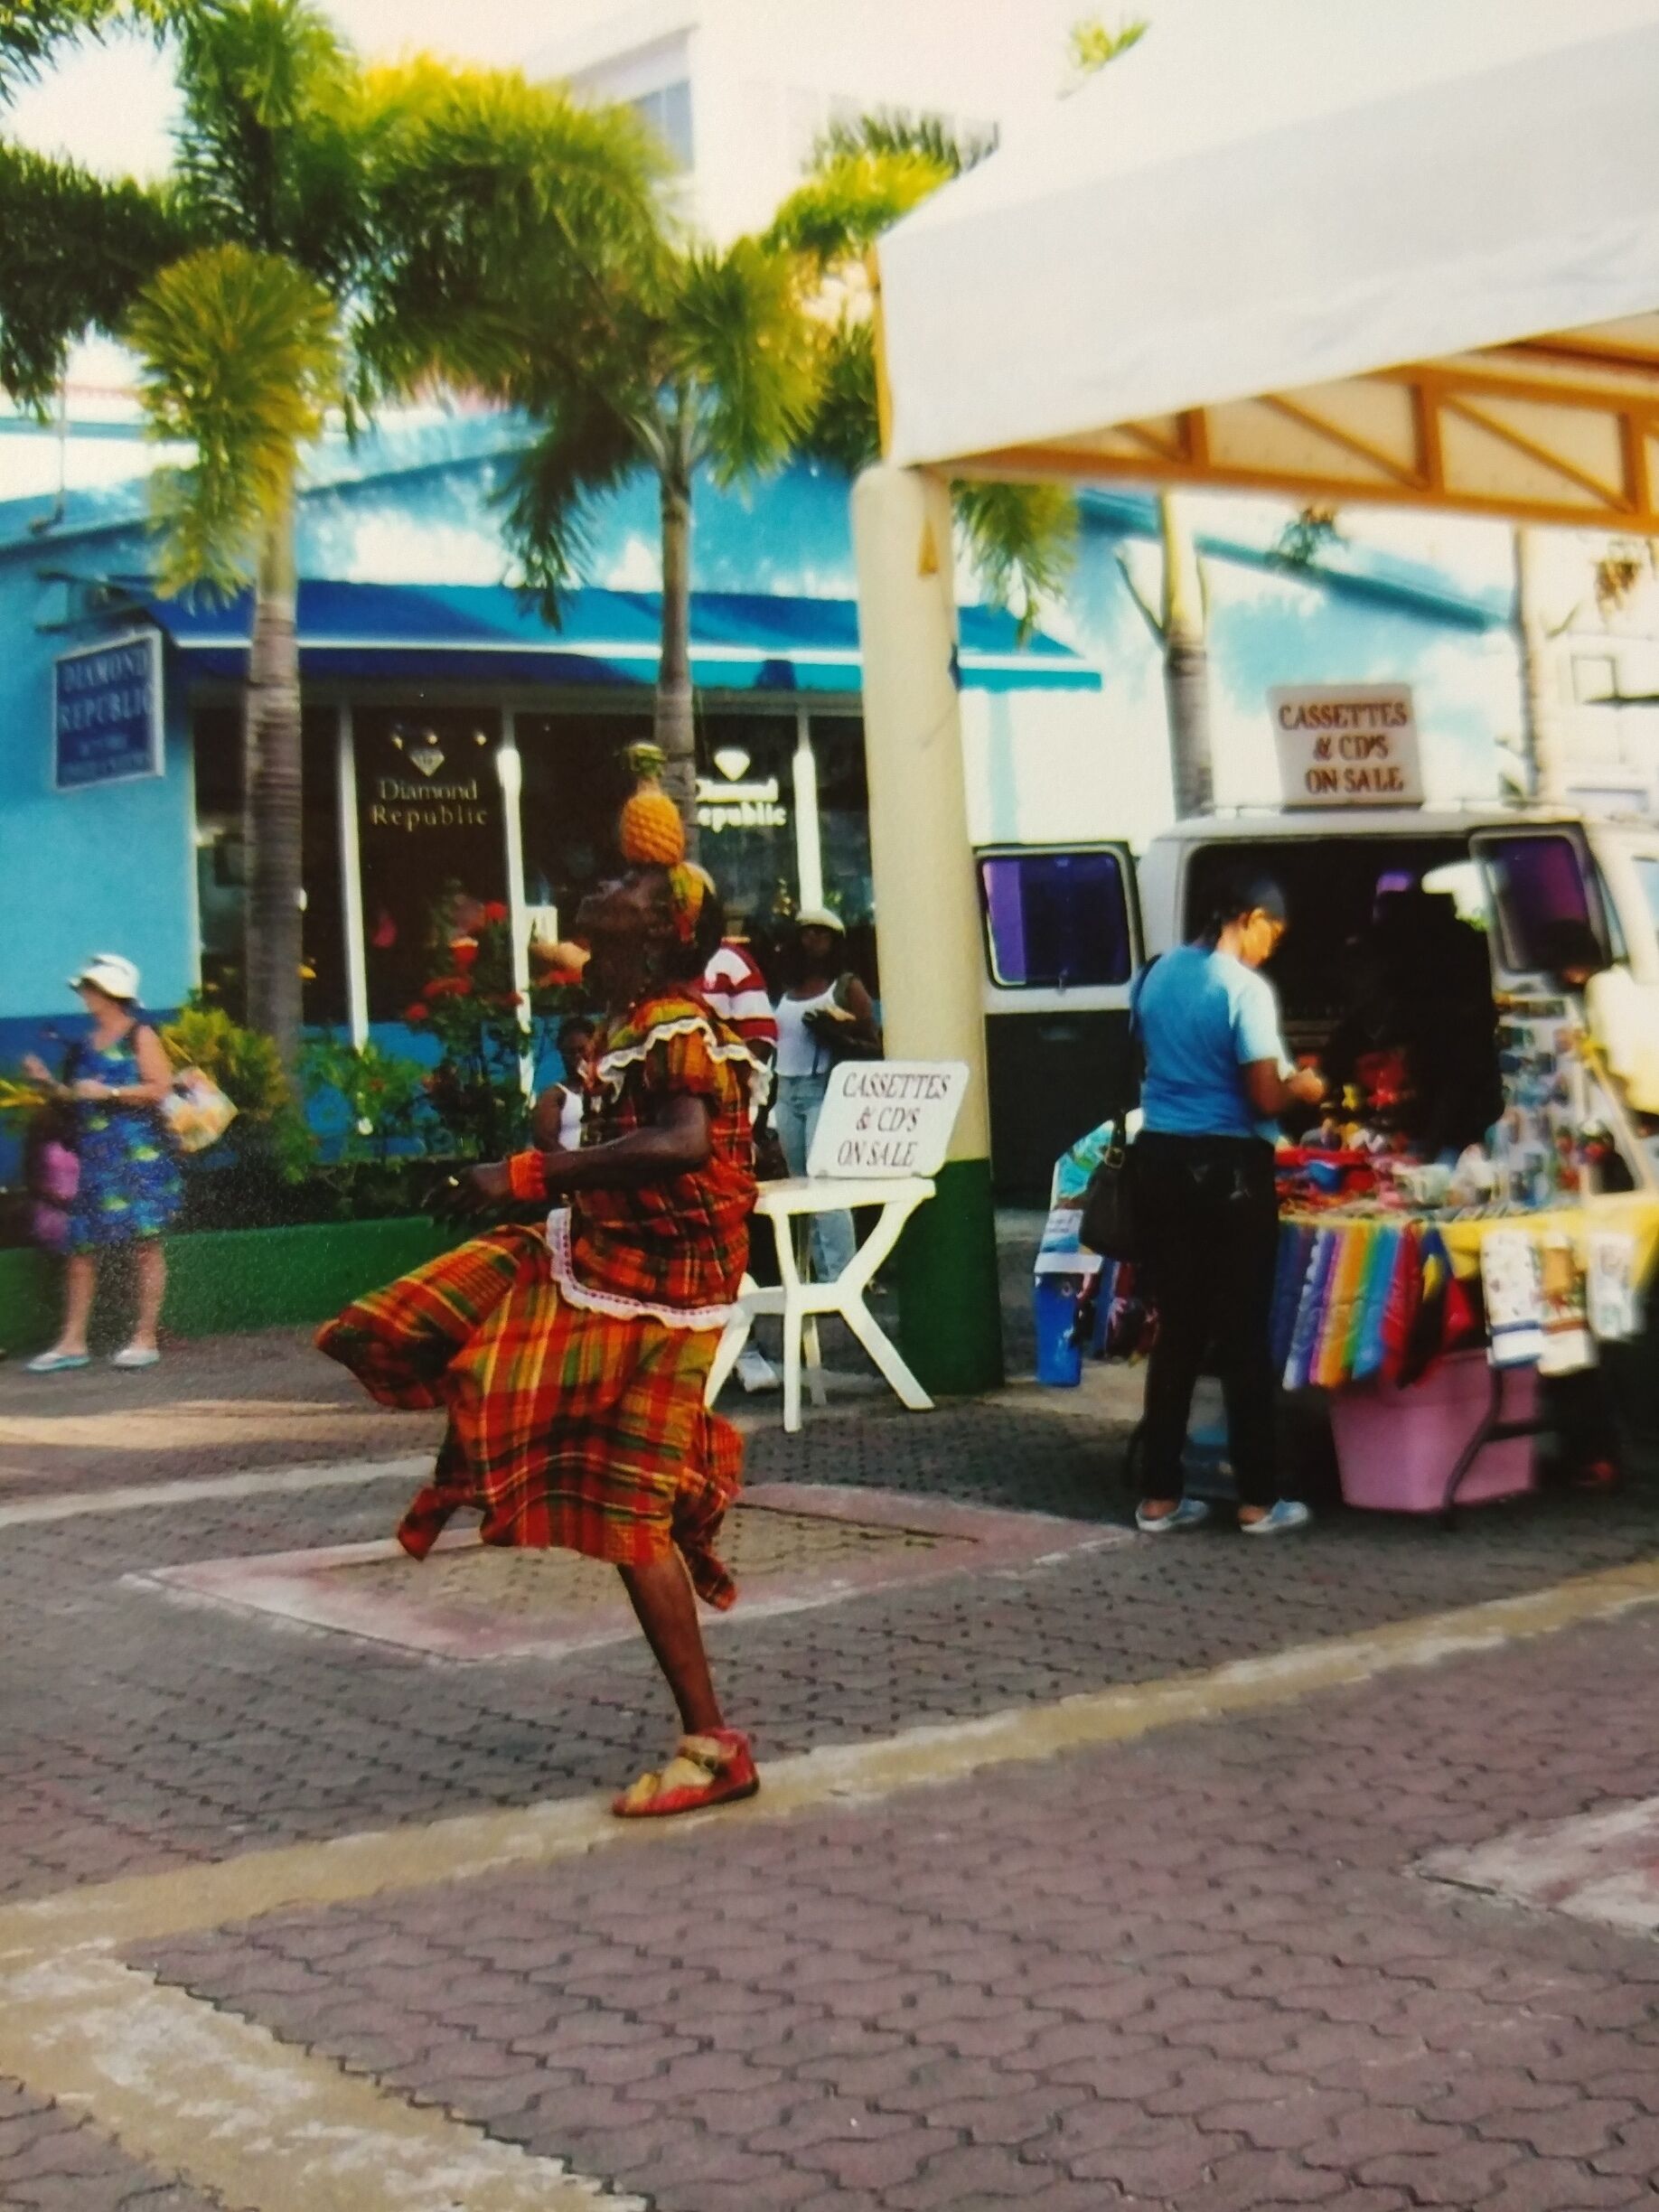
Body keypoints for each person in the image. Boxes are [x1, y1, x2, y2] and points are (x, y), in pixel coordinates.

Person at [318, 858, 764, 1820]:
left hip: (659, 1294)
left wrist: (529, 1174)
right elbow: (605, 1131)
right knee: (439, 1332)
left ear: (665, 934)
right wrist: (553, 1131)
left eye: (625, 905)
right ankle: (710, 1737)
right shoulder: (626, 1025)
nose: (601, 912)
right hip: (616, 1272)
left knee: (629, 1510)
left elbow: (685, 1143)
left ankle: (712, 1744)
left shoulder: (677, 1026)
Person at [1130, 875, 1324, 1536]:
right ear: (1248, 918)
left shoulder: (1155, 976)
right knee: (1242, 1334)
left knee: (1179, 1329)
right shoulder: (1244, 990)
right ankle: (1258, 1500)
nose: (1273, 947)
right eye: (1273, 931)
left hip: (1158, 1159)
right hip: (1229, 1171)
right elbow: (1265, 1098)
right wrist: (1304, 1086)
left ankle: (1159, 1496)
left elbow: (1149, 1054)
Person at [22, 955, 180, 1373]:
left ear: (111, 993)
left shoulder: (140, 1035)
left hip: (138, 1159)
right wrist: (49, 1085)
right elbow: (78, 1098)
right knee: (82, 1248)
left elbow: (161, 1087)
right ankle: (72, 1341)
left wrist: (109, 1094)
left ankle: (145, 1337)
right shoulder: (86, 1043)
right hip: (96, 1161)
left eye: (90, 989)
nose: (85, 997)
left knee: (146, 1246)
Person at [772, 907, 880, 1280]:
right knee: (800, 1184)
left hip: (823, 1089)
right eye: (806, 933)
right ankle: (819, 1274)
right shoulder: (785, 989)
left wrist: (837, 1035)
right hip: (785, 1089)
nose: (813, 940)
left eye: (822, 934)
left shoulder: (846, 986)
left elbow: (873, 1043)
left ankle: (843, 1276)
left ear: (835, 943)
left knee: (826, 1183)